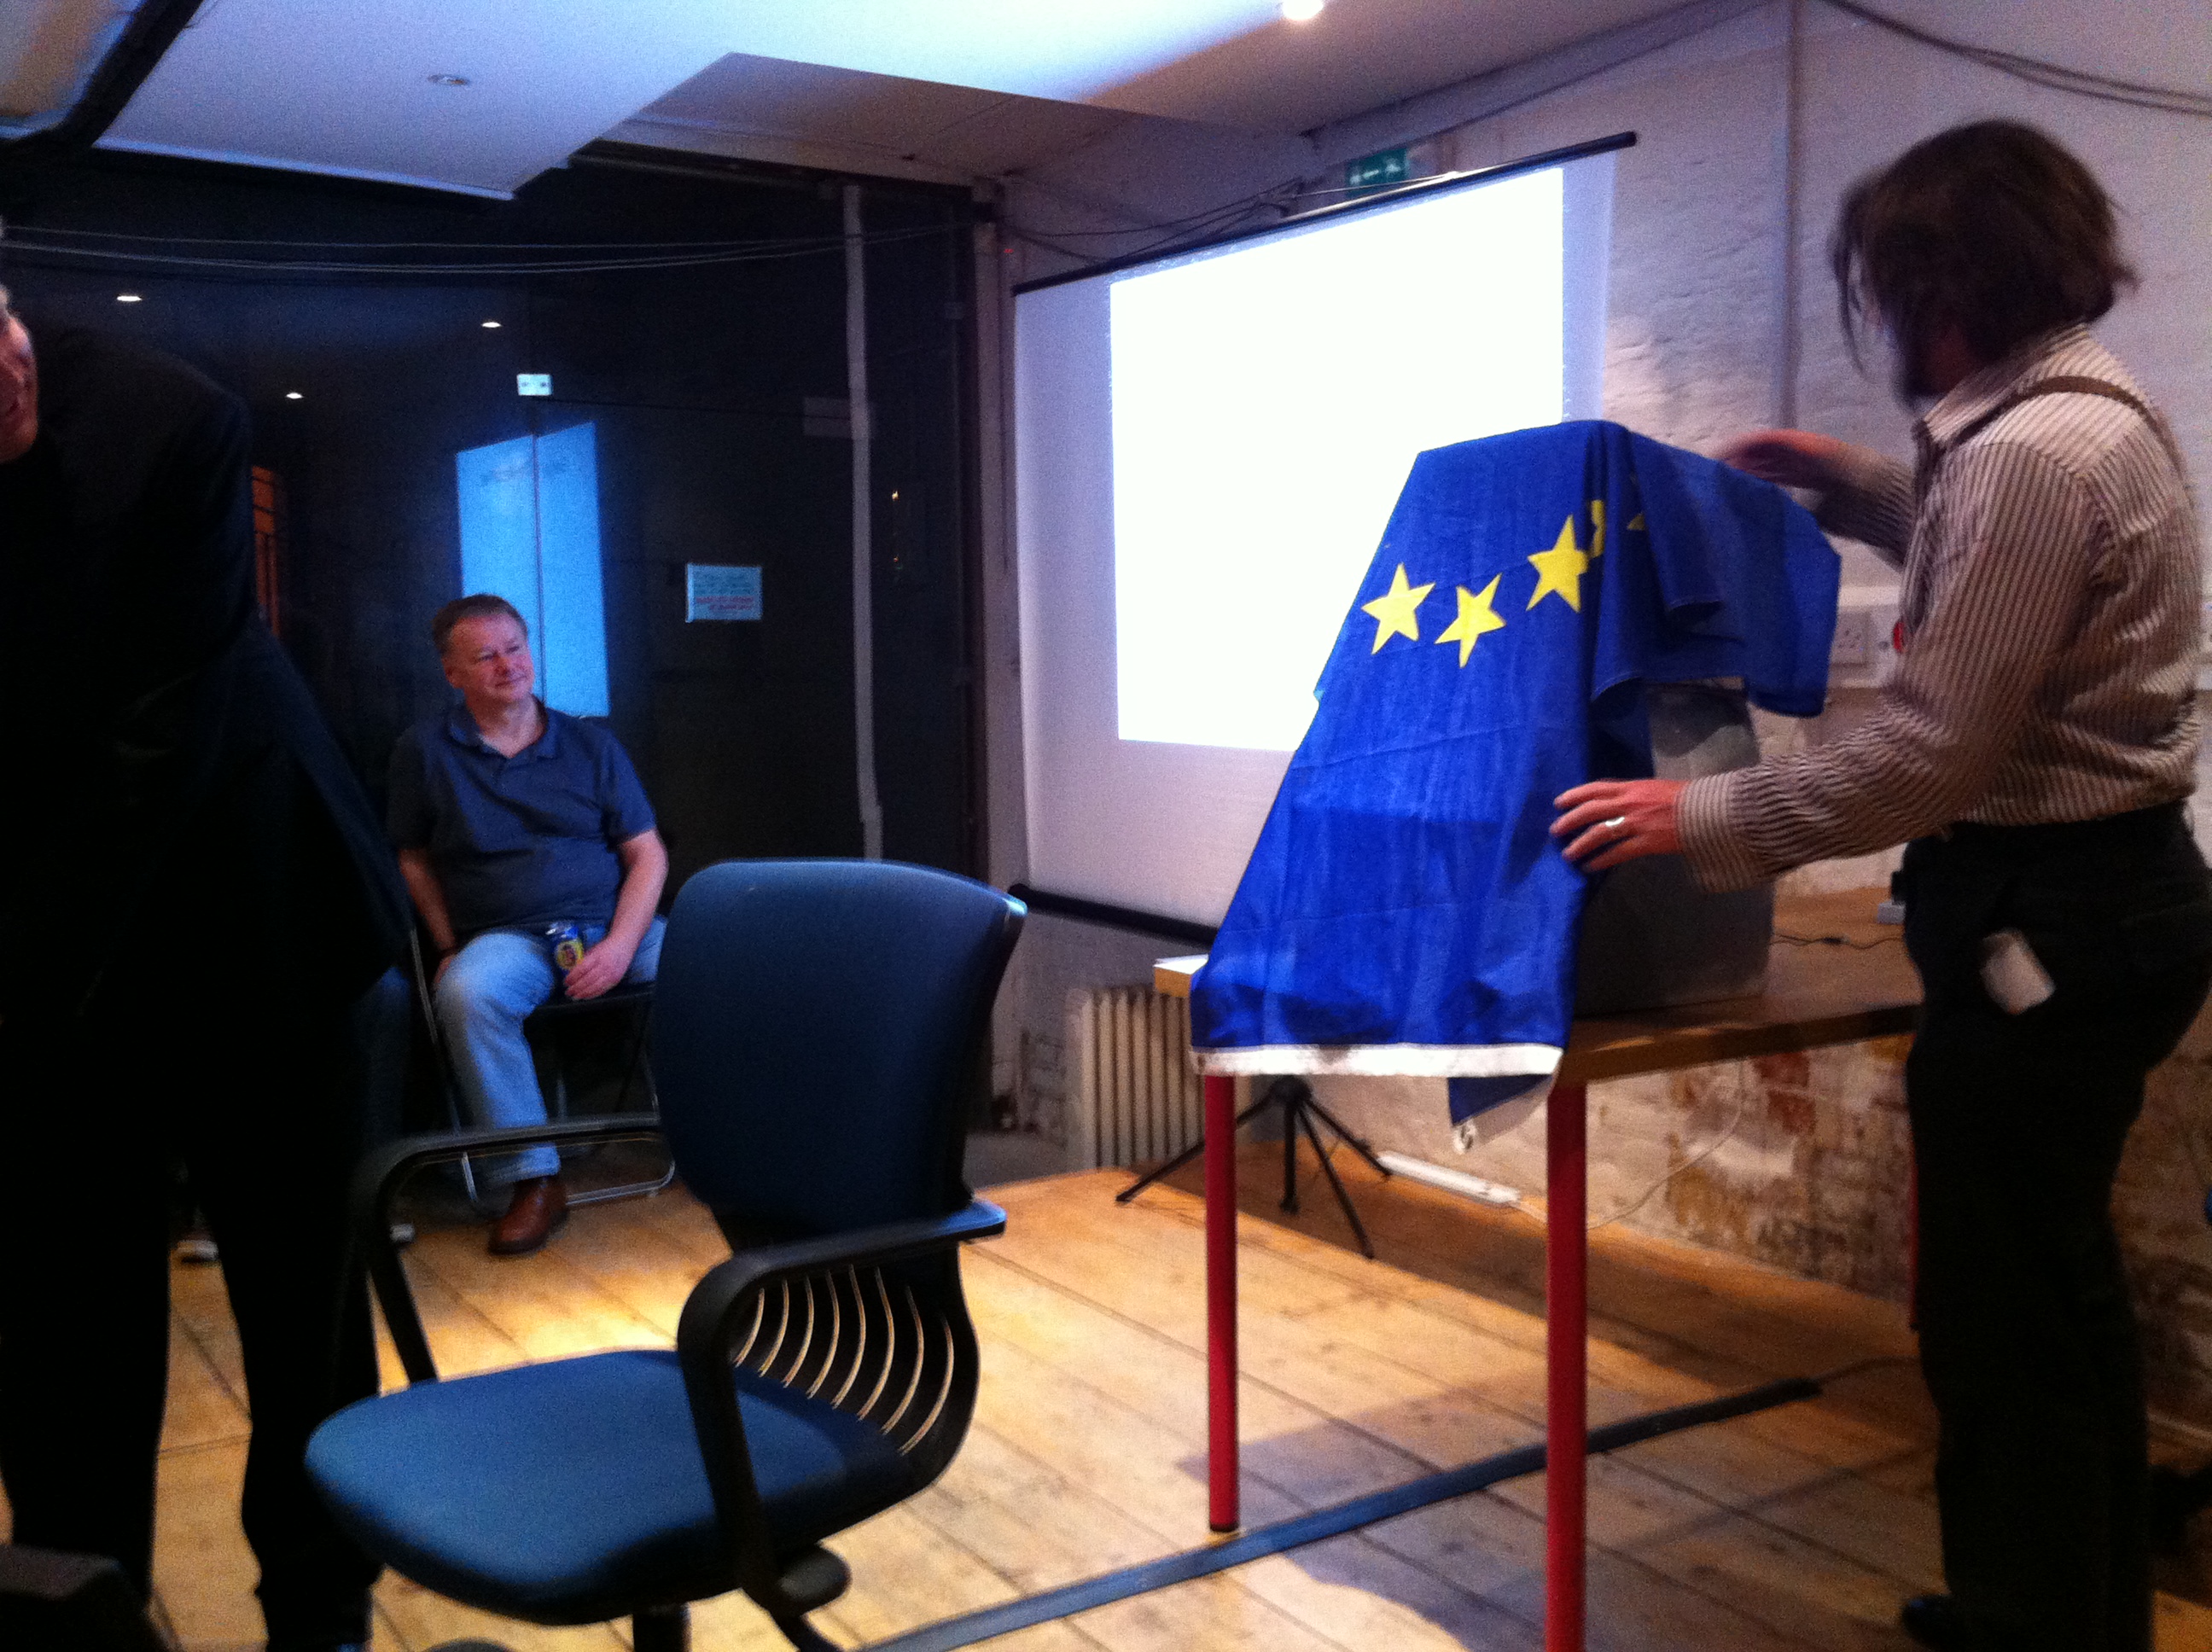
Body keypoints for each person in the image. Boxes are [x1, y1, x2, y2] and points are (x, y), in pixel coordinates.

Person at [1552, 122, 2211, 1652]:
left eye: (1883, 290)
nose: (1881, 322)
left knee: (2001, 1313)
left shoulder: (2029, 457)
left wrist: (1693, 812)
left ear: (1941, 289)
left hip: (2047, 917)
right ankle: (2062, 1611)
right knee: (2051, 1289)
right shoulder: (2085, 421)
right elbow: (1995, 570)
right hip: (2102, 904)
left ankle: (2031, 1626)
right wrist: (1849, 484)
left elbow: (1923, 758)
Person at [0, 295, 411, 1650]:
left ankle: (321, 1615)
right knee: (62, 1322)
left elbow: (154, 742)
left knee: (302, 1311)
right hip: (59, 937)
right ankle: (76, 1612)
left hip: (260, 916)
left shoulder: (171, 421)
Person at [388, 595, 668, 1256]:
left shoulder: (590, 743)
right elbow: (412, 857)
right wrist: (447, 945)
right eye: (486, 655)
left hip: (613, 927)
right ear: (452, 673)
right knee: (467, 994)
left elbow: (647, 854)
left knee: (729, 966)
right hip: (508, 938)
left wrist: (621, 944)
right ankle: (534, 1181)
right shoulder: (425, 750)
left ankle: (740, 1140)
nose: (508, 665)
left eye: (515, 648)